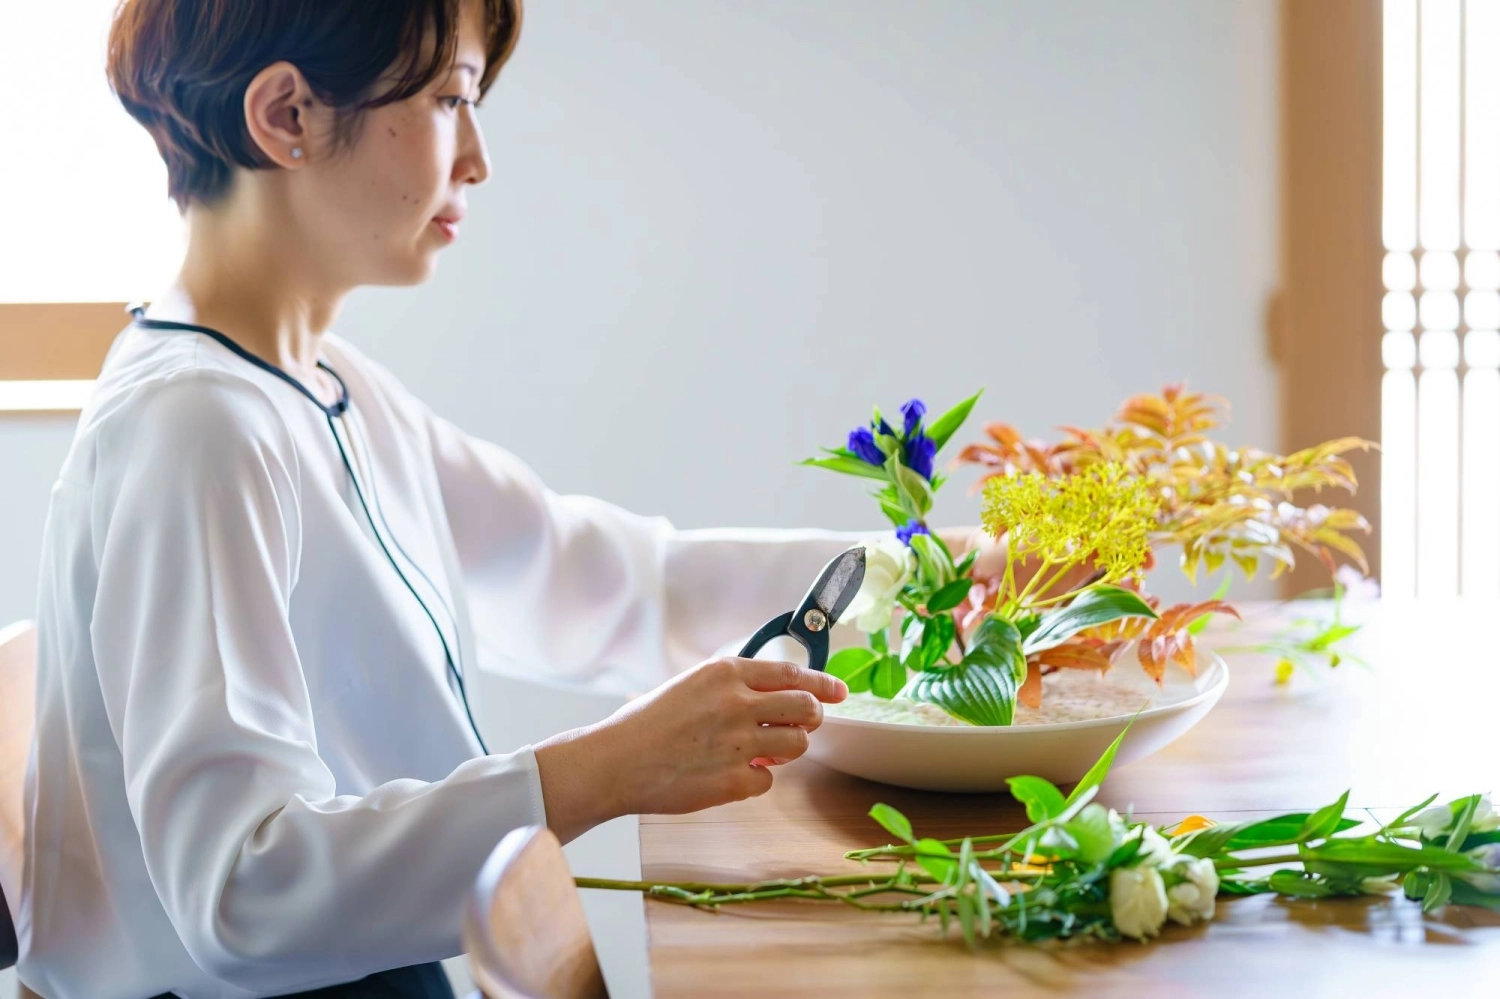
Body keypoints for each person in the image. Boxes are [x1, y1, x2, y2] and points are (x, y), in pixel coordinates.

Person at [17, 2, 985, 996]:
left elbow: (604, 581)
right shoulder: (193, 426)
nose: (477, 160)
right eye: (450, 99)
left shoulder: (321, 383)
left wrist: (950, 570)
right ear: (287, 116)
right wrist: (609, 768)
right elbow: (243, 896)